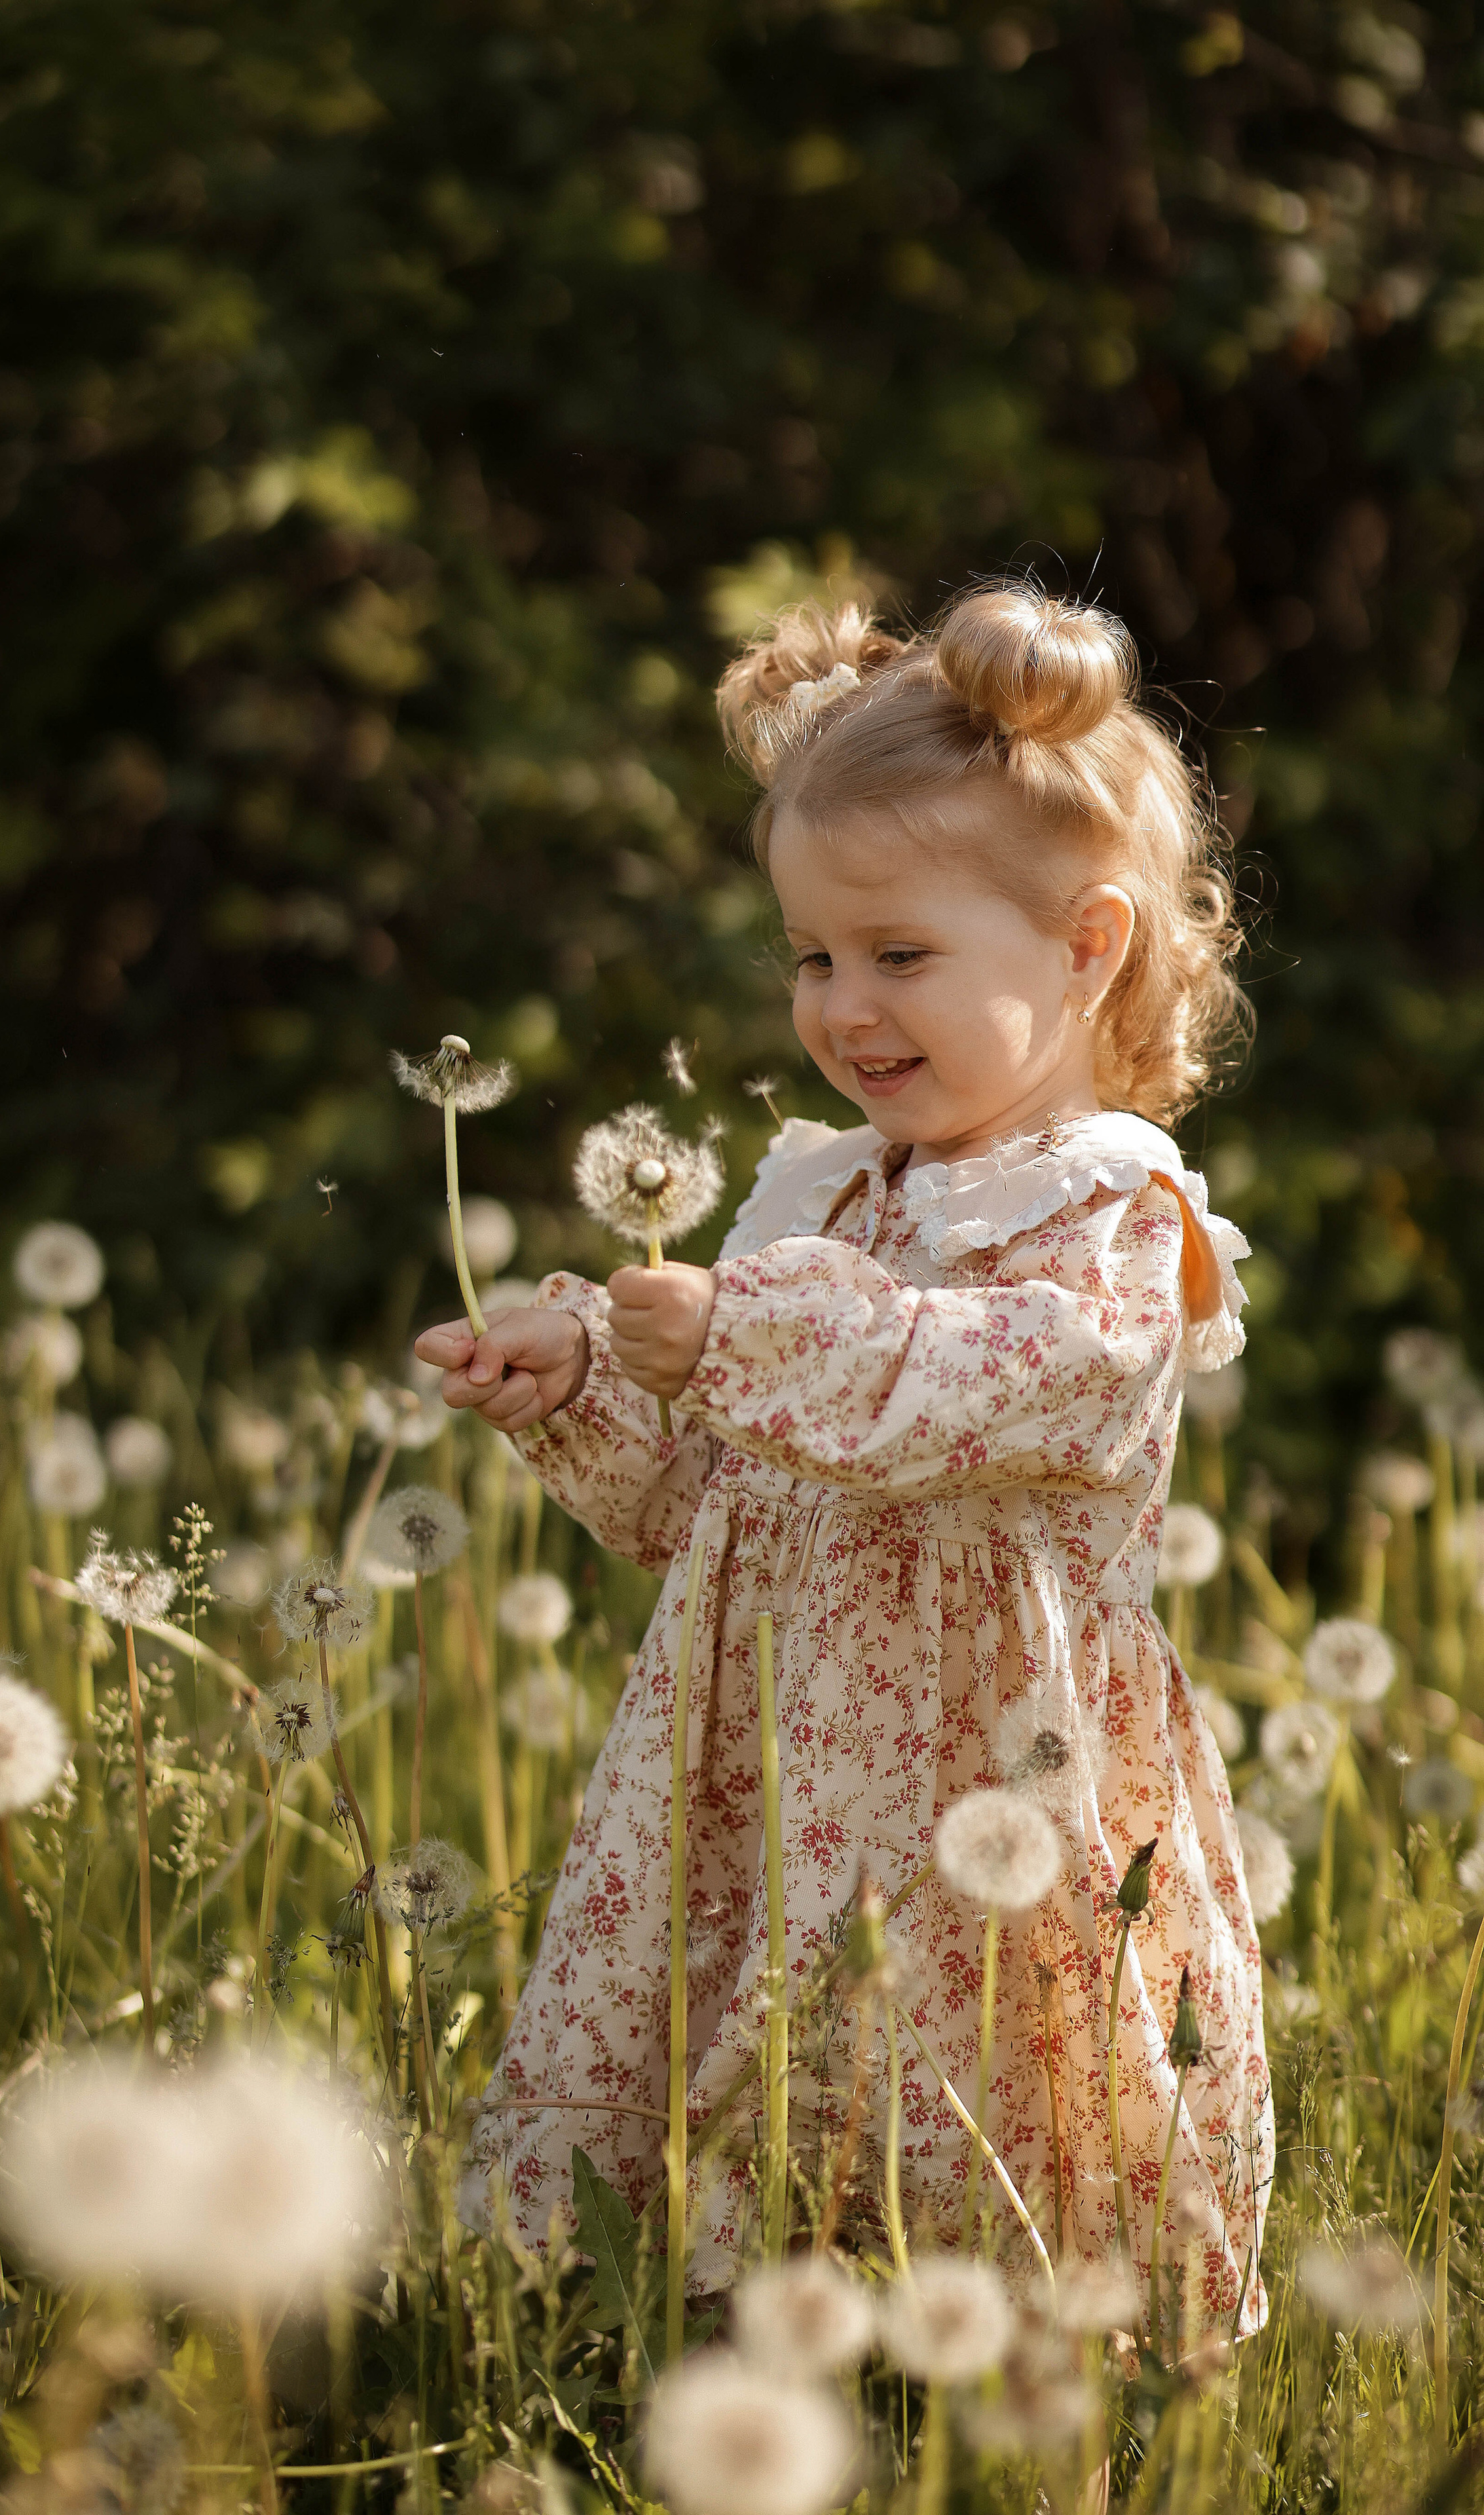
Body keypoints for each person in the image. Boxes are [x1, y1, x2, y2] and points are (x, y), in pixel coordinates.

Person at [417, 580, 1271, 2325]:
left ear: (1088, 945)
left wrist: (743, 1334)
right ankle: (686, 2334)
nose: (843, 1006)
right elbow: (698, 1499)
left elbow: (1004, 1383)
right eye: (813, 956)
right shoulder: (824, 1192)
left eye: (900, 956)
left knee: (969, 2095)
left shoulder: (1116, 1212)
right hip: (758, 1775)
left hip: (986, 1785)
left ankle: (993, 2371)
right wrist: (583, 1378)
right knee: (742, 2064)